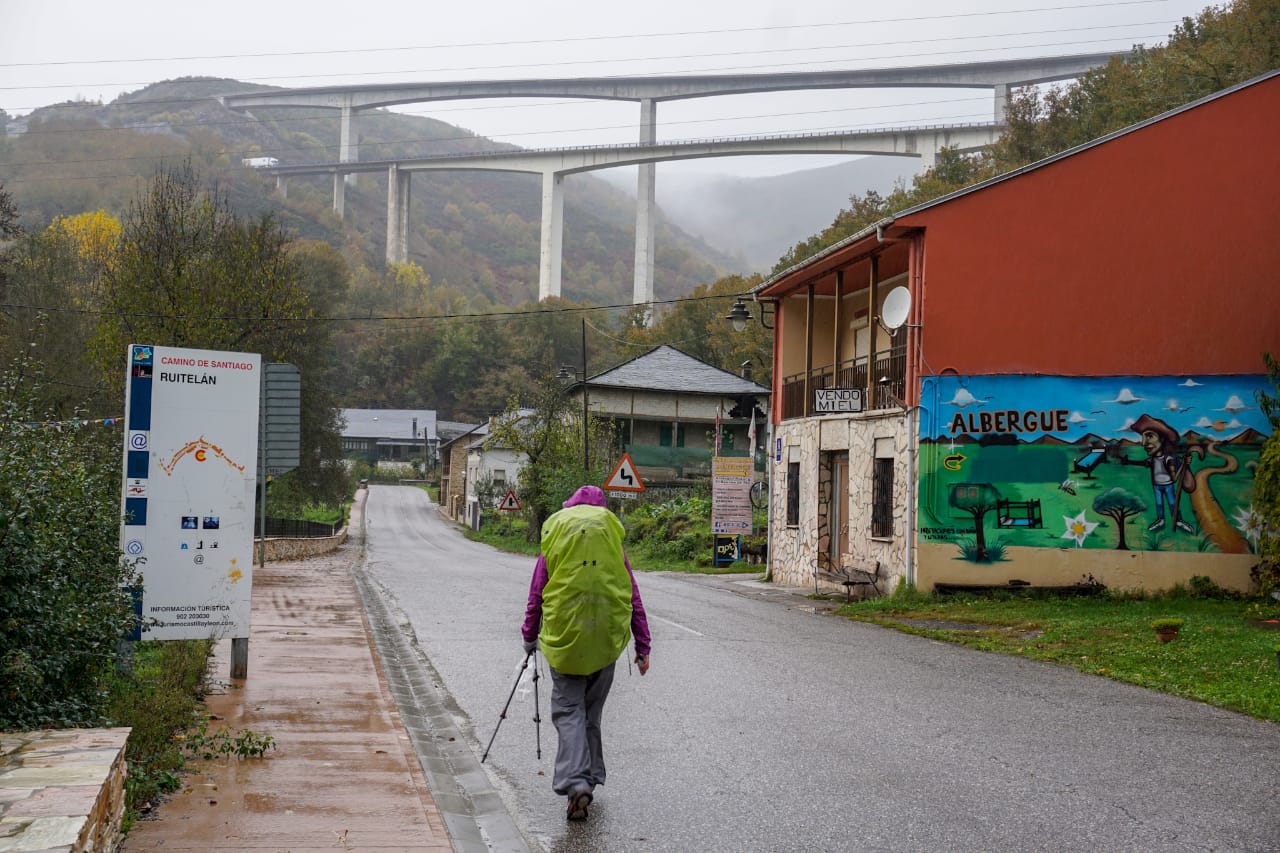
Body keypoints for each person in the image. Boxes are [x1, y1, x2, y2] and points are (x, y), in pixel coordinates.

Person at [520, 485, 651, 821]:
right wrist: (642, 645)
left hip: (566, 639)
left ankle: (577, 783)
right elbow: (632, 595)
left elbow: (538, 592)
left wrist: (529, 636)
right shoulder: (612, 545)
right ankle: (588, 779)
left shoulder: (556, 537)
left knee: (568, 712)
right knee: (590, 715)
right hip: (605, 641)